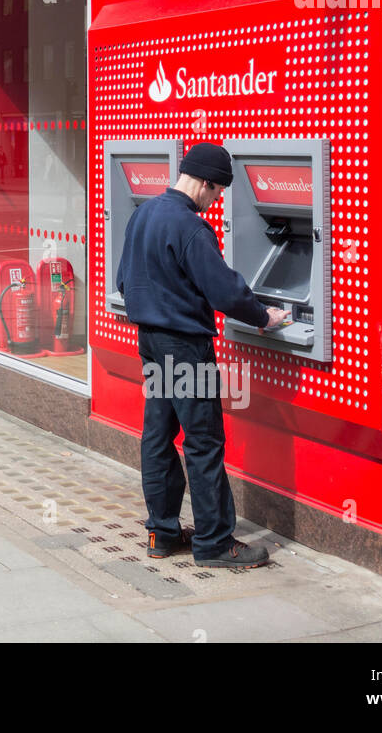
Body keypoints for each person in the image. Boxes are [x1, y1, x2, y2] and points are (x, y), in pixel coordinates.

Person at [114, 142, 288, 571]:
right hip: (186, 349)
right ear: (205, 183)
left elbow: (122, 279)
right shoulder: (190, 227)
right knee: (204, 441)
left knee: (158, 435)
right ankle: (213, 542)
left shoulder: (143, 215)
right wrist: (264, 315)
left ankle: (162, 533)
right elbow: (226, 292)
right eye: (218, 192)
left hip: (151, 343)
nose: (217, 202)